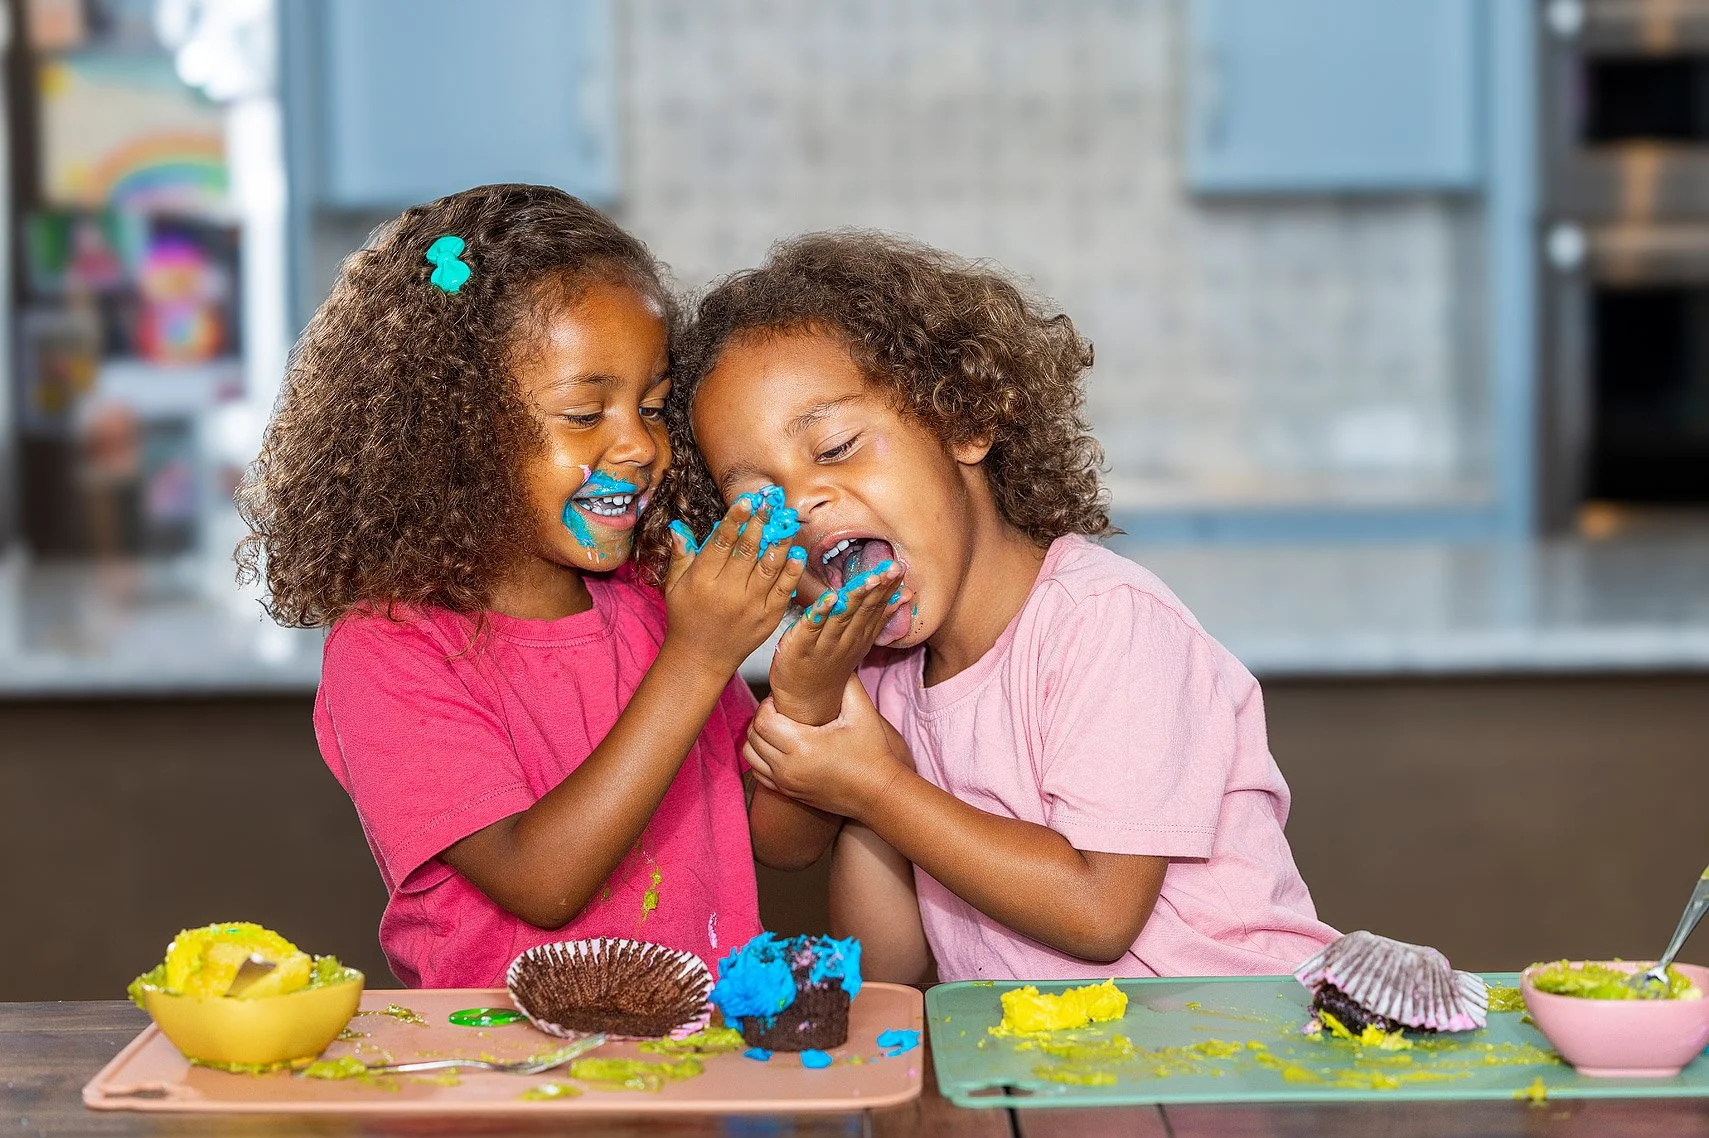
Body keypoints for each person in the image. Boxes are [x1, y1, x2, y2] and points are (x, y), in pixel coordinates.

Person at [656, 231, 1339, 983]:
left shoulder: (1106, 621)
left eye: (837, 446)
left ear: (966, 421)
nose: (802, 501)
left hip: (1240, 1047)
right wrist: (823, 703)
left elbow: (1097, 914)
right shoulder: (886, 674)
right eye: (756, 499)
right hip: (1056, 1072)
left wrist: (879, 787)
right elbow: (879, 957)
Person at [236, 185, 803, 987]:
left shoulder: (652, 607)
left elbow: (778, 841)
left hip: (693, 1077)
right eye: (584, 414)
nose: (639, 445)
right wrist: (701, 655)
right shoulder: (392, 650)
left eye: (653, 406)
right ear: (453, 431)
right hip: (505, 1083)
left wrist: (810, 693)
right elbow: (541, 882)